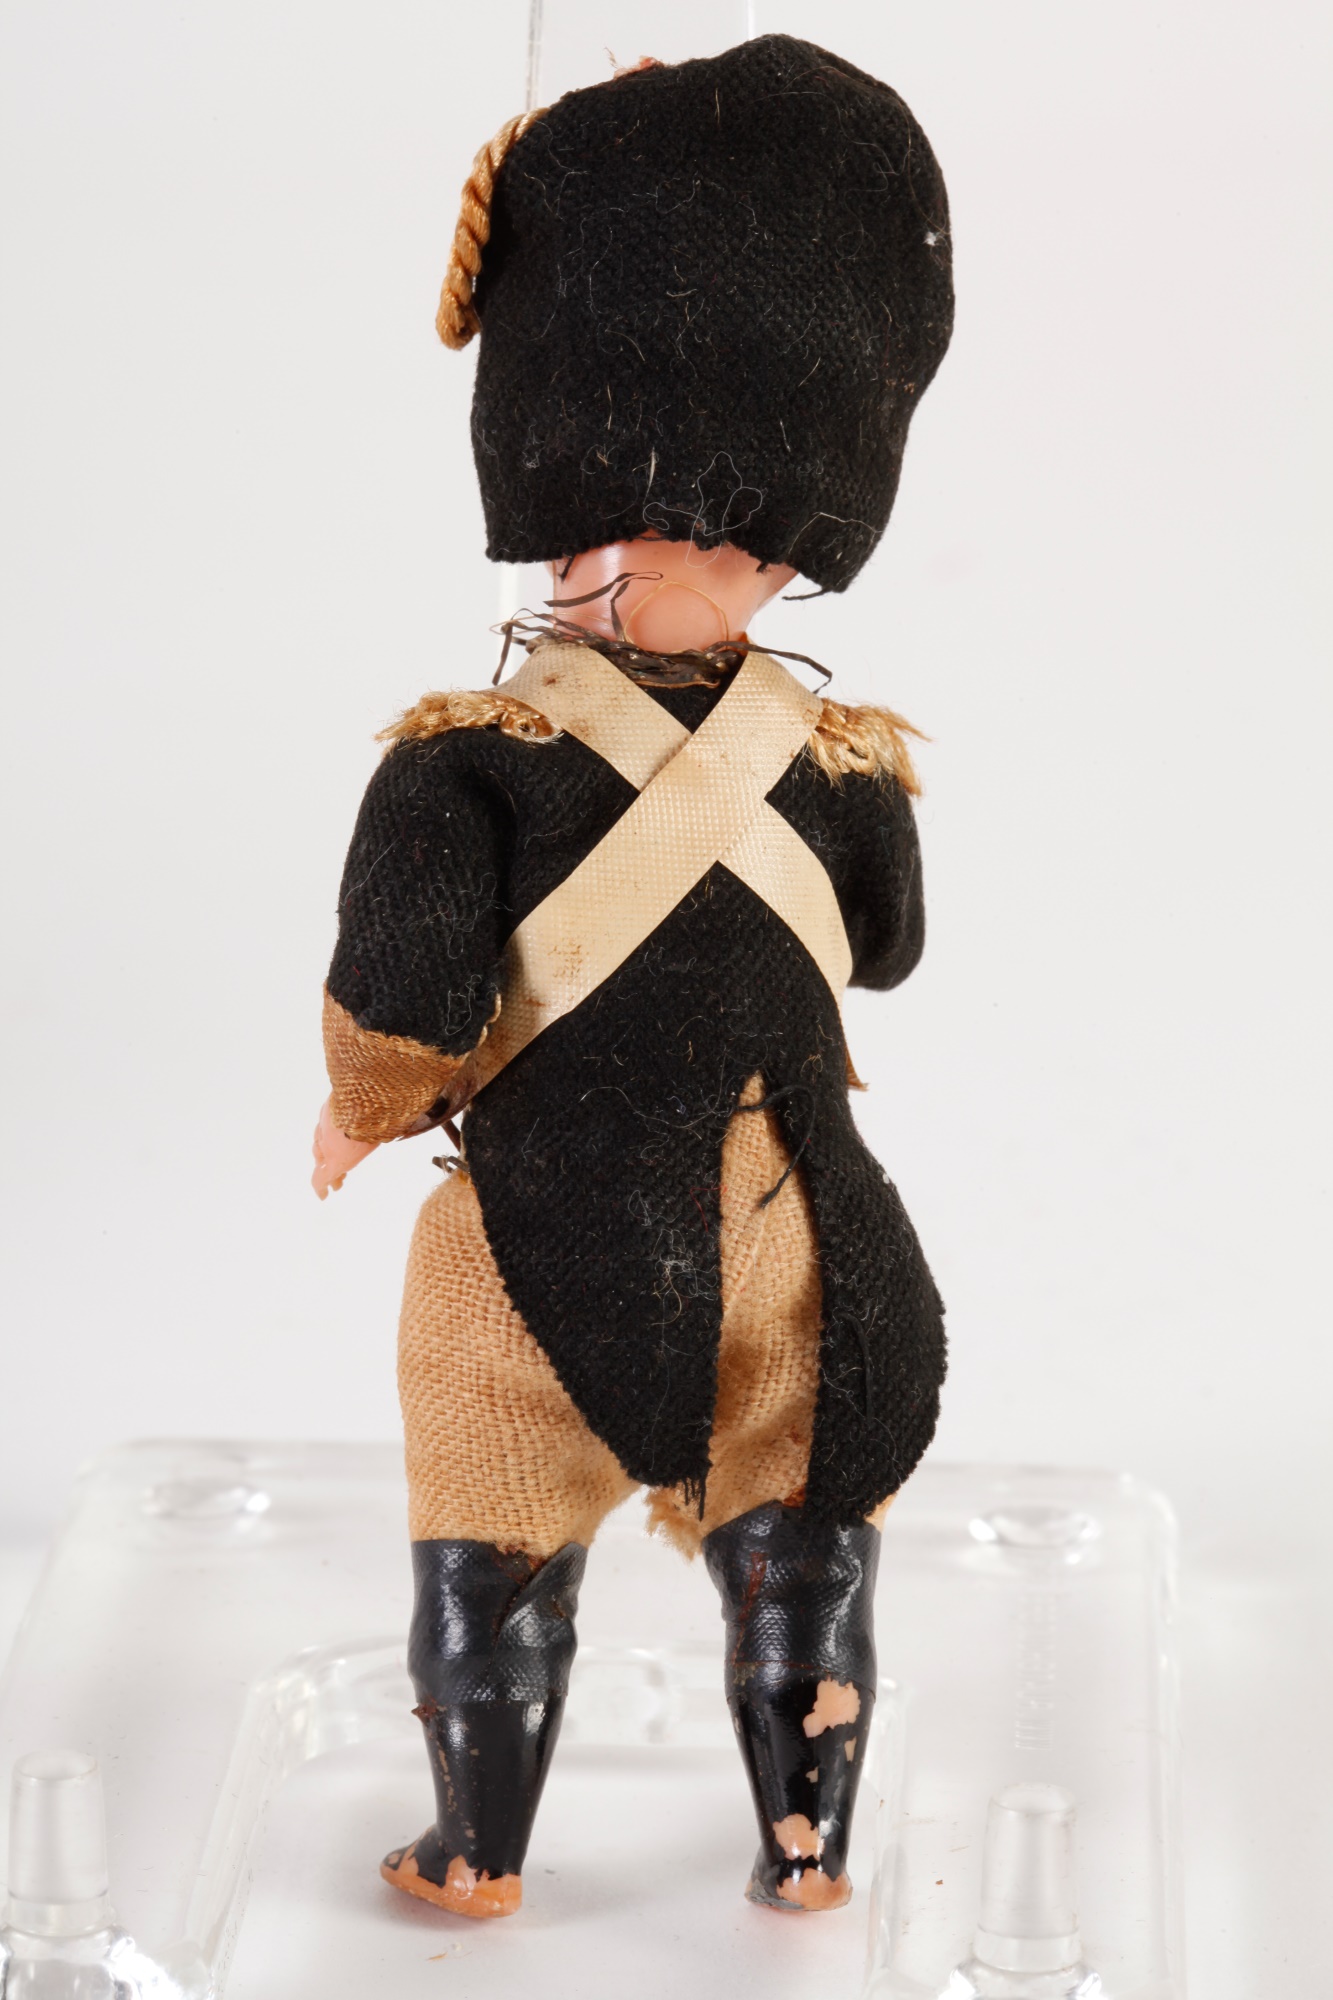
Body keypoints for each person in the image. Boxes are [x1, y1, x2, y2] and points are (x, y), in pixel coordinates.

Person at [313, 33, 954, 1919]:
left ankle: (477, 1848)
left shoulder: (463, 757)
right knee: (800, 1534)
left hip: (543, 1228)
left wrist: (362, 1112)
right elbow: (890, 952)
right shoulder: (847, 766)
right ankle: (802, 1843)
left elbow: (403, 993)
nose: (630, 560)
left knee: (491, 1524)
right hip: (799, 1214)